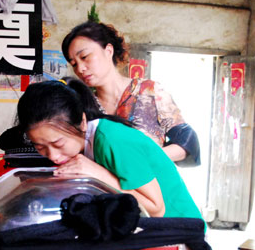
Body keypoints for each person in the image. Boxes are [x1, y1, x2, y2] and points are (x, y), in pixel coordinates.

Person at [16, 78, 203, 220]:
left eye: (58, 144)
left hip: (179, 231)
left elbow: (156, 209)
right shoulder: (86, 145)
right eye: (40, 146)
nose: (53, 156)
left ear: (82, 122)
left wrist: (99, 175)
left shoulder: (113, 140)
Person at [61, 21, 200, 167]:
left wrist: (147, 156)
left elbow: (188, 144)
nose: (80, 69)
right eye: (74, 64)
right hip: (100, 182)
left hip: (152, 180)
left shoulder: (149, 91)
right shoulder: (84, 105)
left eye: (84, 57)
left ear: (108, 51)